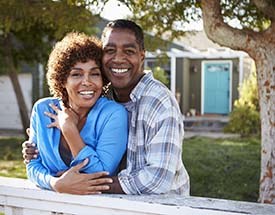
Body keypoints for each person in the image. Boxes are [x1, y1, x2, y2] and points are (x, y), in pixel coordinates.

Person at [23, 19, 190, 195]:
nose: (118, 59)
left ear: (142, 56)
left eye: (129, 51)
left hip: (163, 206)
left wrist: (81, 183)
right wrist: (55, 182)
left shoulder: (159, 103)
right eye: (110, 50)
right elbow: (33, 163)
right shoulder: (105, 94)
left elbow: (158, 179)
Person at [25, 32, 128, 193]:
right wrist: (55, 183)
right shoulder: (42, 110)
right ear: (62, 80)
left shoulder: (113, 114)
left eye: (94, 73)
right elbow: (32, 165)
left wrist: (68, 128)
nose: (87, 82)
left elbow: (100, 175)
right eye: (76, 74)